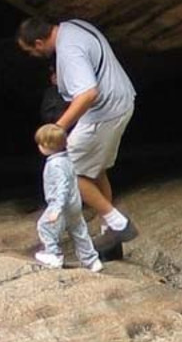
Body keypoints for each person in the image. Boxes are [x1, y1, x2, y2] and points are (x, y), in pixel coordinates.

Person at [17, 16, 139, 255]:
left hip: (103, 113)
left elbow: (87, 94)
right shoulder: (74, 27)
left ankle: (118, 223)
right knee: (95, 168)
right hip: (121, 102)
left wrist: (59, 127)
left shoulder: (68, 51)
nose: (32, 56)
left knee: (67, 169)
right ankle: (110, 240)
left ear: (39, 43)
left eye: (30, 51)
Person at [33, 123, 104, 272]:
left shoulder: (55, 164)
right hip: (74, 203)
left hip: (61, 204)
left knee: (44, 226)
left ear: (46, 145)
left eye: (40, 143)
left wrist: (56, 209)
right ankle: (92, 260)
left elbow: (62, 186)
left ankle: (53, 255)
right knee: (79, 231)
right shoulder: (67, 159)